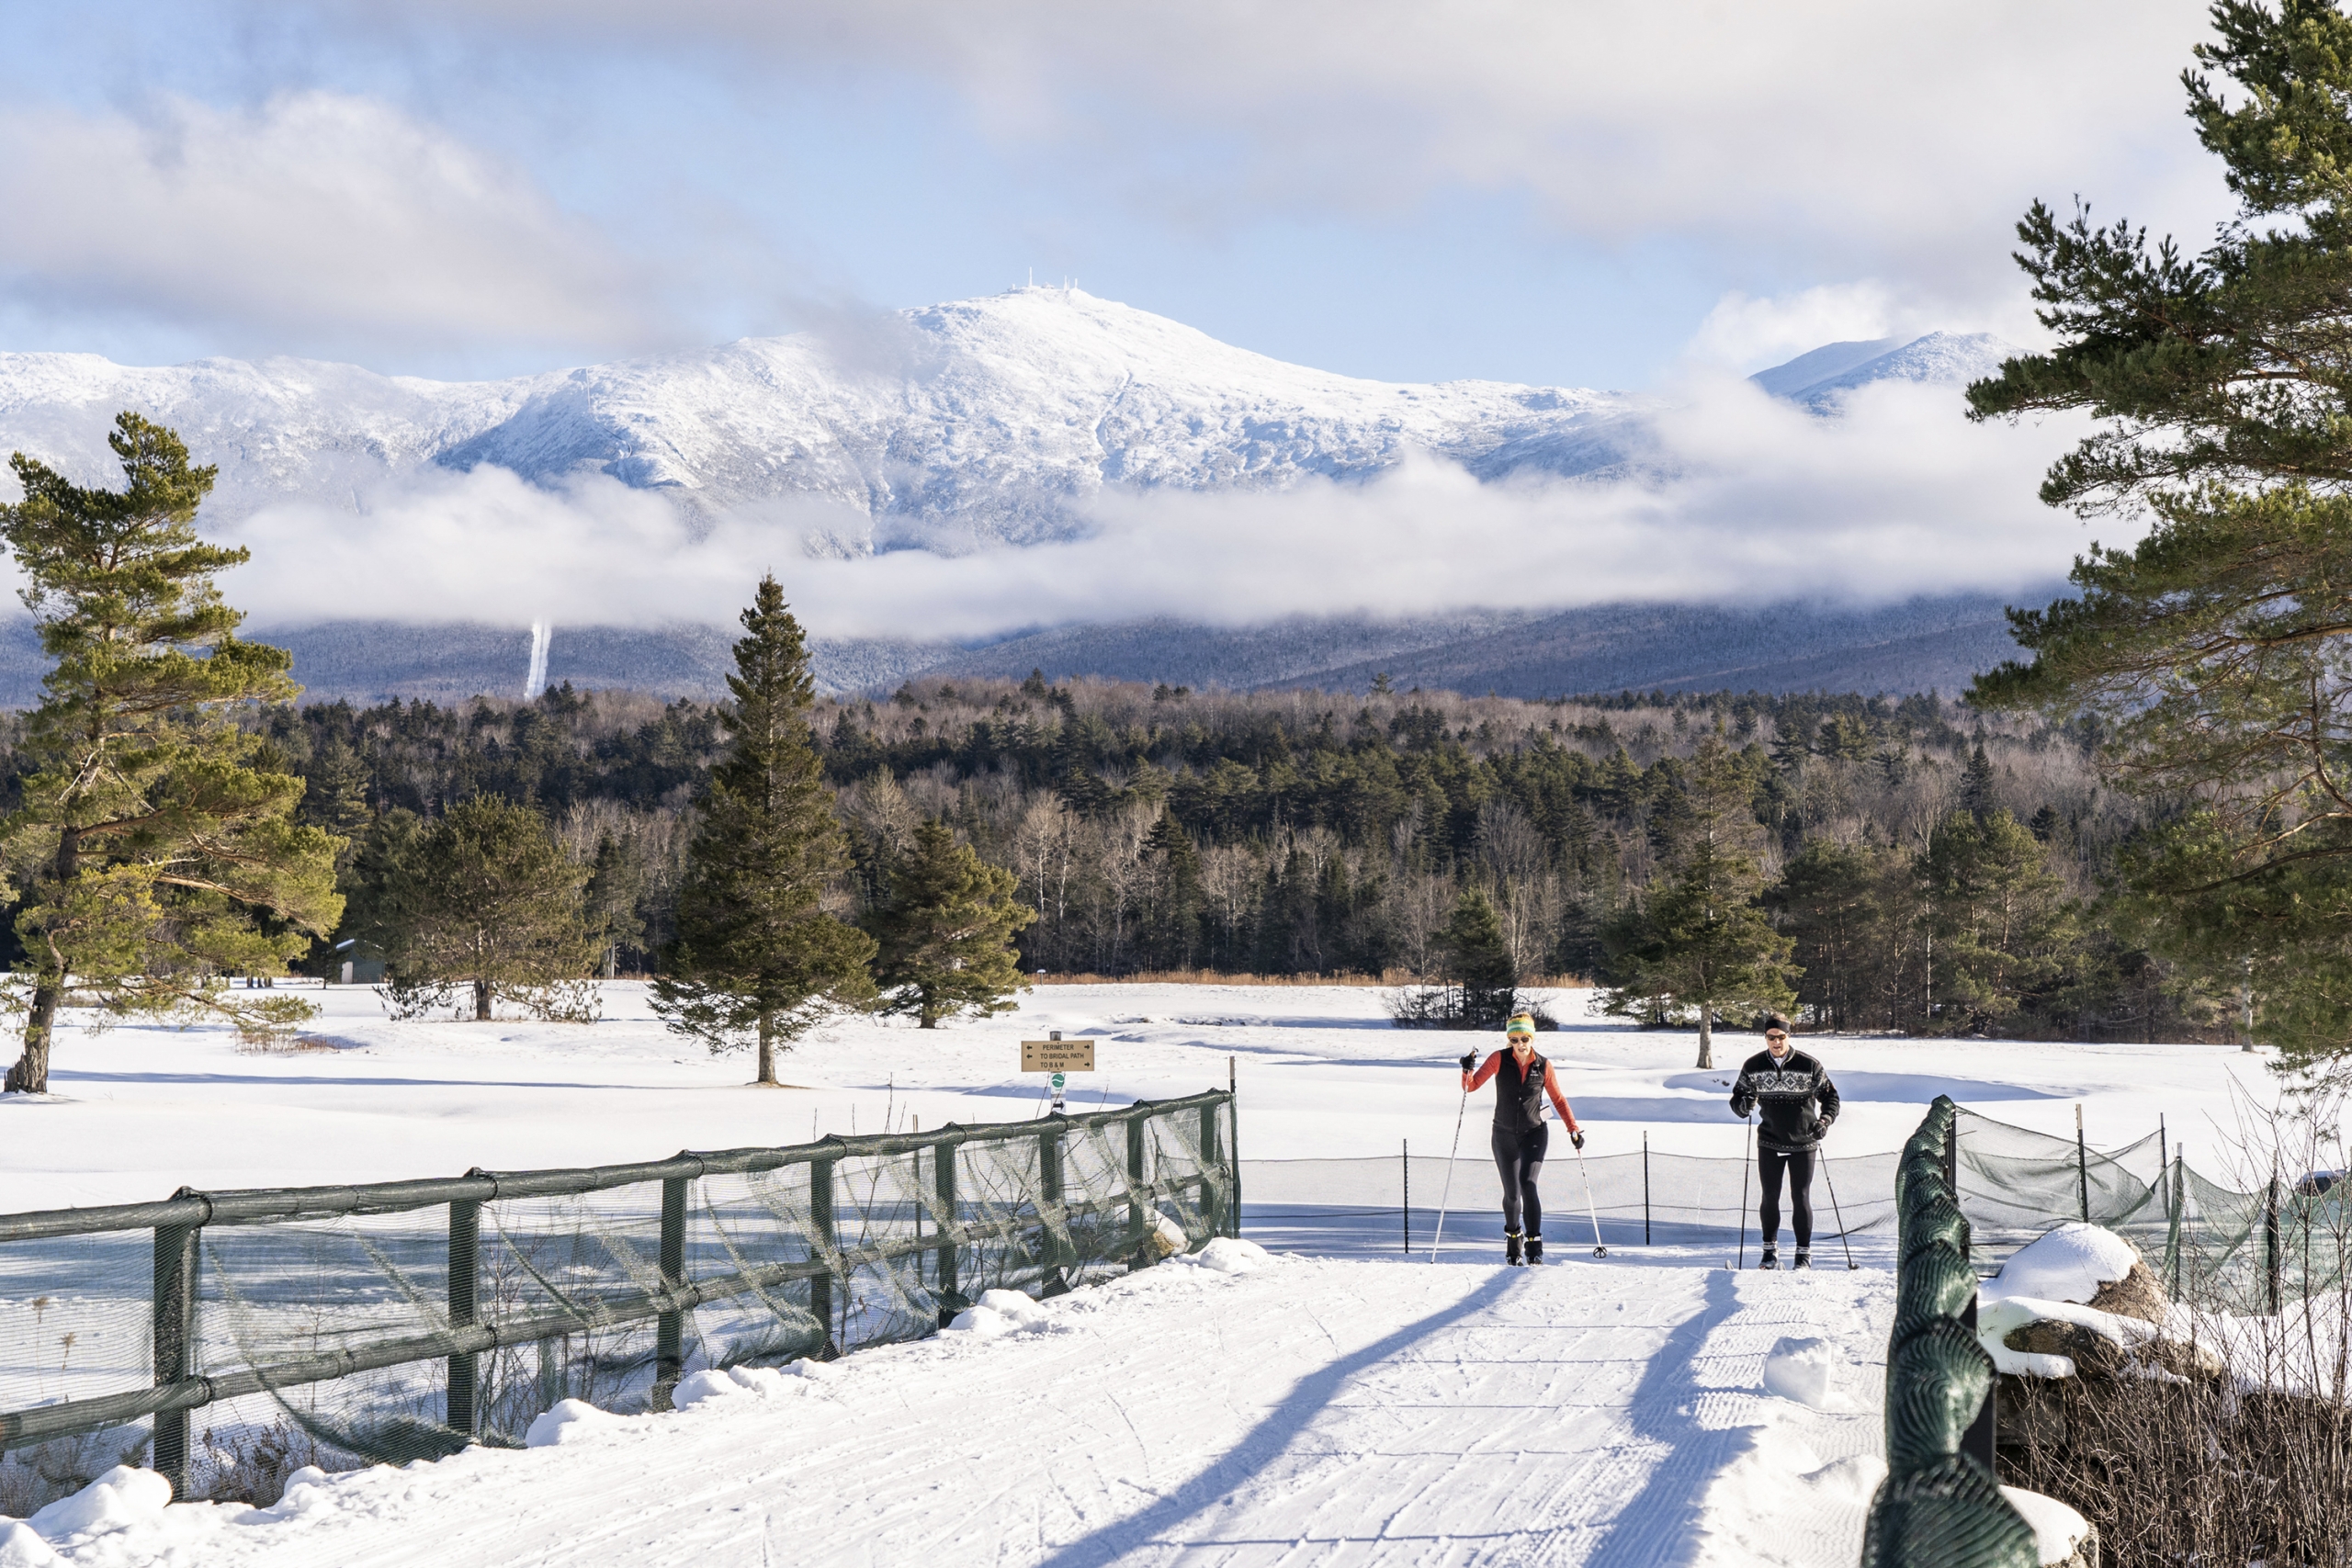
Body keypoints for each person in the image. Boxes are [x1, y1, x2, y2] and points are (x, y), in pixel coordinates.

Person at [1460, 1011, 1584, 1265]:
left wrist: (1573, 1128)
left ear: (1532, 1038)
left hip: (1534, 1132)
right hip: (1503, 1134)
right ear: (1510, 1040)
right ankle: (1513, 1238)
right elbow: (1470, 1087)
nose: (1520, 1044)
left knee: (1528, 1183)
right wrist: (1466, 1070)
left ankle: (1534, 1243)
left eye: (1525, 1038)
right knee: (1512, 1195)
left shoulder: (1543, 1065)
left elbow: (1558, 1100)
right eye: (1515, 1039)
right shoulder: (1498, 1059)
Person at [1728, 1014, 1839, 1269]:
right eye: (1771, 1037)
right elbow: (1738, 1099)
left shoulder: (1809, 1065)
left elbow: (1831, 1097)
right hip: (1769, 1139)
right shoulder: (1753, 1065)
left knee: (1800, 1197)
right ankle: (1769, 1252)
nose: (1776, 1042)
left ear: (1789, 1036)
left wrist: (1824, 1122)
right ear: (1765, 1038)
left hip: (1804, 1140)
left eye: (1781, 1037)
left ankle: (1803, 1255)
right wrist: (1742, 1106)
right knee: (1770, 1196)